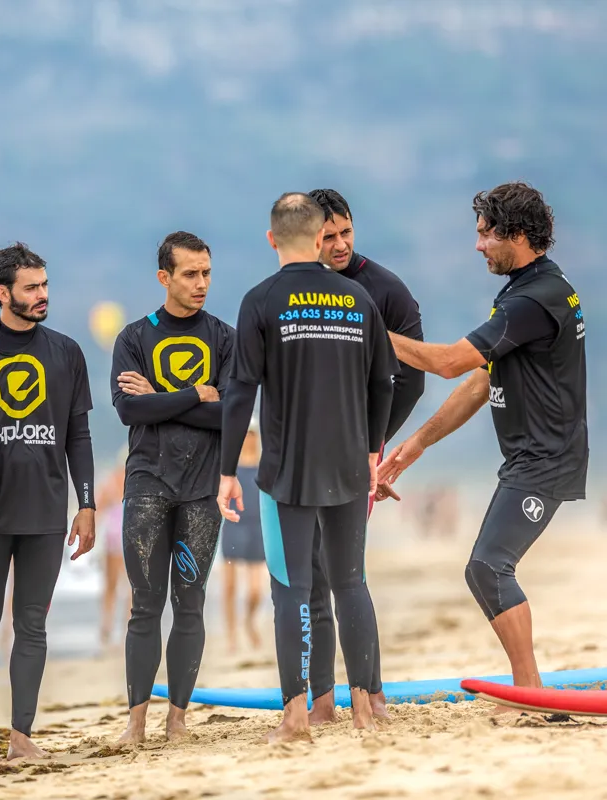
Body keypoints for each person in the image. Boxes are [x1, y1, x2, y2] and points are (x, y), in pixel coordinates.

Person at [377, 182, 588, 703]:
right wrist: (418, 442)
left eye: (484, 234)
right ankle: (532, 690)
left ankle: (532, 694)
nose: (477, 246)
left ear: (515, 233)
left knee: (488, 567)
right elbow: (479, 380)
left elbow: (450, 362)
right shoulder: (529, 289)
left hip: (547, 460)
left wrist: (367, 330)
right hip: (532, 457)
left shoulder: (535, 299)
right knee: (488, 567)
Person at [218, 193, 393, 742]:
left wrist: (227, 470)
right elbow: (383, 379)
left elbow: (241, 389)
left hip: (285, 469)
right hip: (347, 462)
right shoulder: (357, 298)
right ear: (321, 239)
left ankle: (296, 718)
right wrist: (372, 449)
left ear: (271, 239)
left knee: (290, 588)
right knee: (351, 583)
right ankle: (366, 709)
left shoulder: (260, 300)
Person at [0, 243, 96, 769]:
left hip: (46, 513)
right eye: (31, 287)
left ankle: (22, 736)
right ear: (3, 293)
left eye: (45, 284)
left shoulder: (66, 352)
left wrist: (86, 505)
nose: (43, 295)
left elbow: (80, 436)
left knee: (32, 627)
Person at [306, 188, 425, 724]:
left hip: (358, 450)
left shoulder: (385, 291)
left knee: (342, 570)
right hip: (305, 452)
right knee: (309, 573)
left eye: (345, 232)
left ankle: (370, 692)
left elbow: (412, 382)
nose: (339, 244)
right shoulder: (297, 289)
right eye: (327, 235)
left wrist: (373, 444)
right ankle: (323, 699)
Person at [111, 231, 234, 743]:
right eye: (190, 274)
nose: (201, 283)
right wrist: (192, 395)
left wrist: (162, 397)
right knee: (145, 604)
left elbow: (231, 414)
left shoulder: (225, 337)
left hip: (202, 490)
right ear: (165, 277)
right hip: (147, 484)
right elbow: (128, 410)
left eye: (206, 272)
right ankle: (136, 723)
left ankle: (177, 720)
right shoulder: (134, 338)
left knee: (190, 603)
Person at [220, 416, 265, 653]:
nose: (248, 438)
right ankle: (231, 635)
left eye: (252, 434)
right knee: (229, 587)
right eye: (245, 433)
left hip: (257, 527)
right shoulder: (229, 466)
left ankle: (249, 621)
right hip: (234, 525)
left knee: (256, 591)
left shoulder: (265, 463)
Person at [95, 451, 130, 653]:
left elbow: (97, 510)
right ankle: (113, 628)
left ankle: (109, 628)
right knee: (122, 587)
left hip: (117, 539)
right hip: (121, 540)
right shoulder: (130, 481)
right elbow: (98, 509)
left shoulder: (112, 481)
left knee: (113, 587)